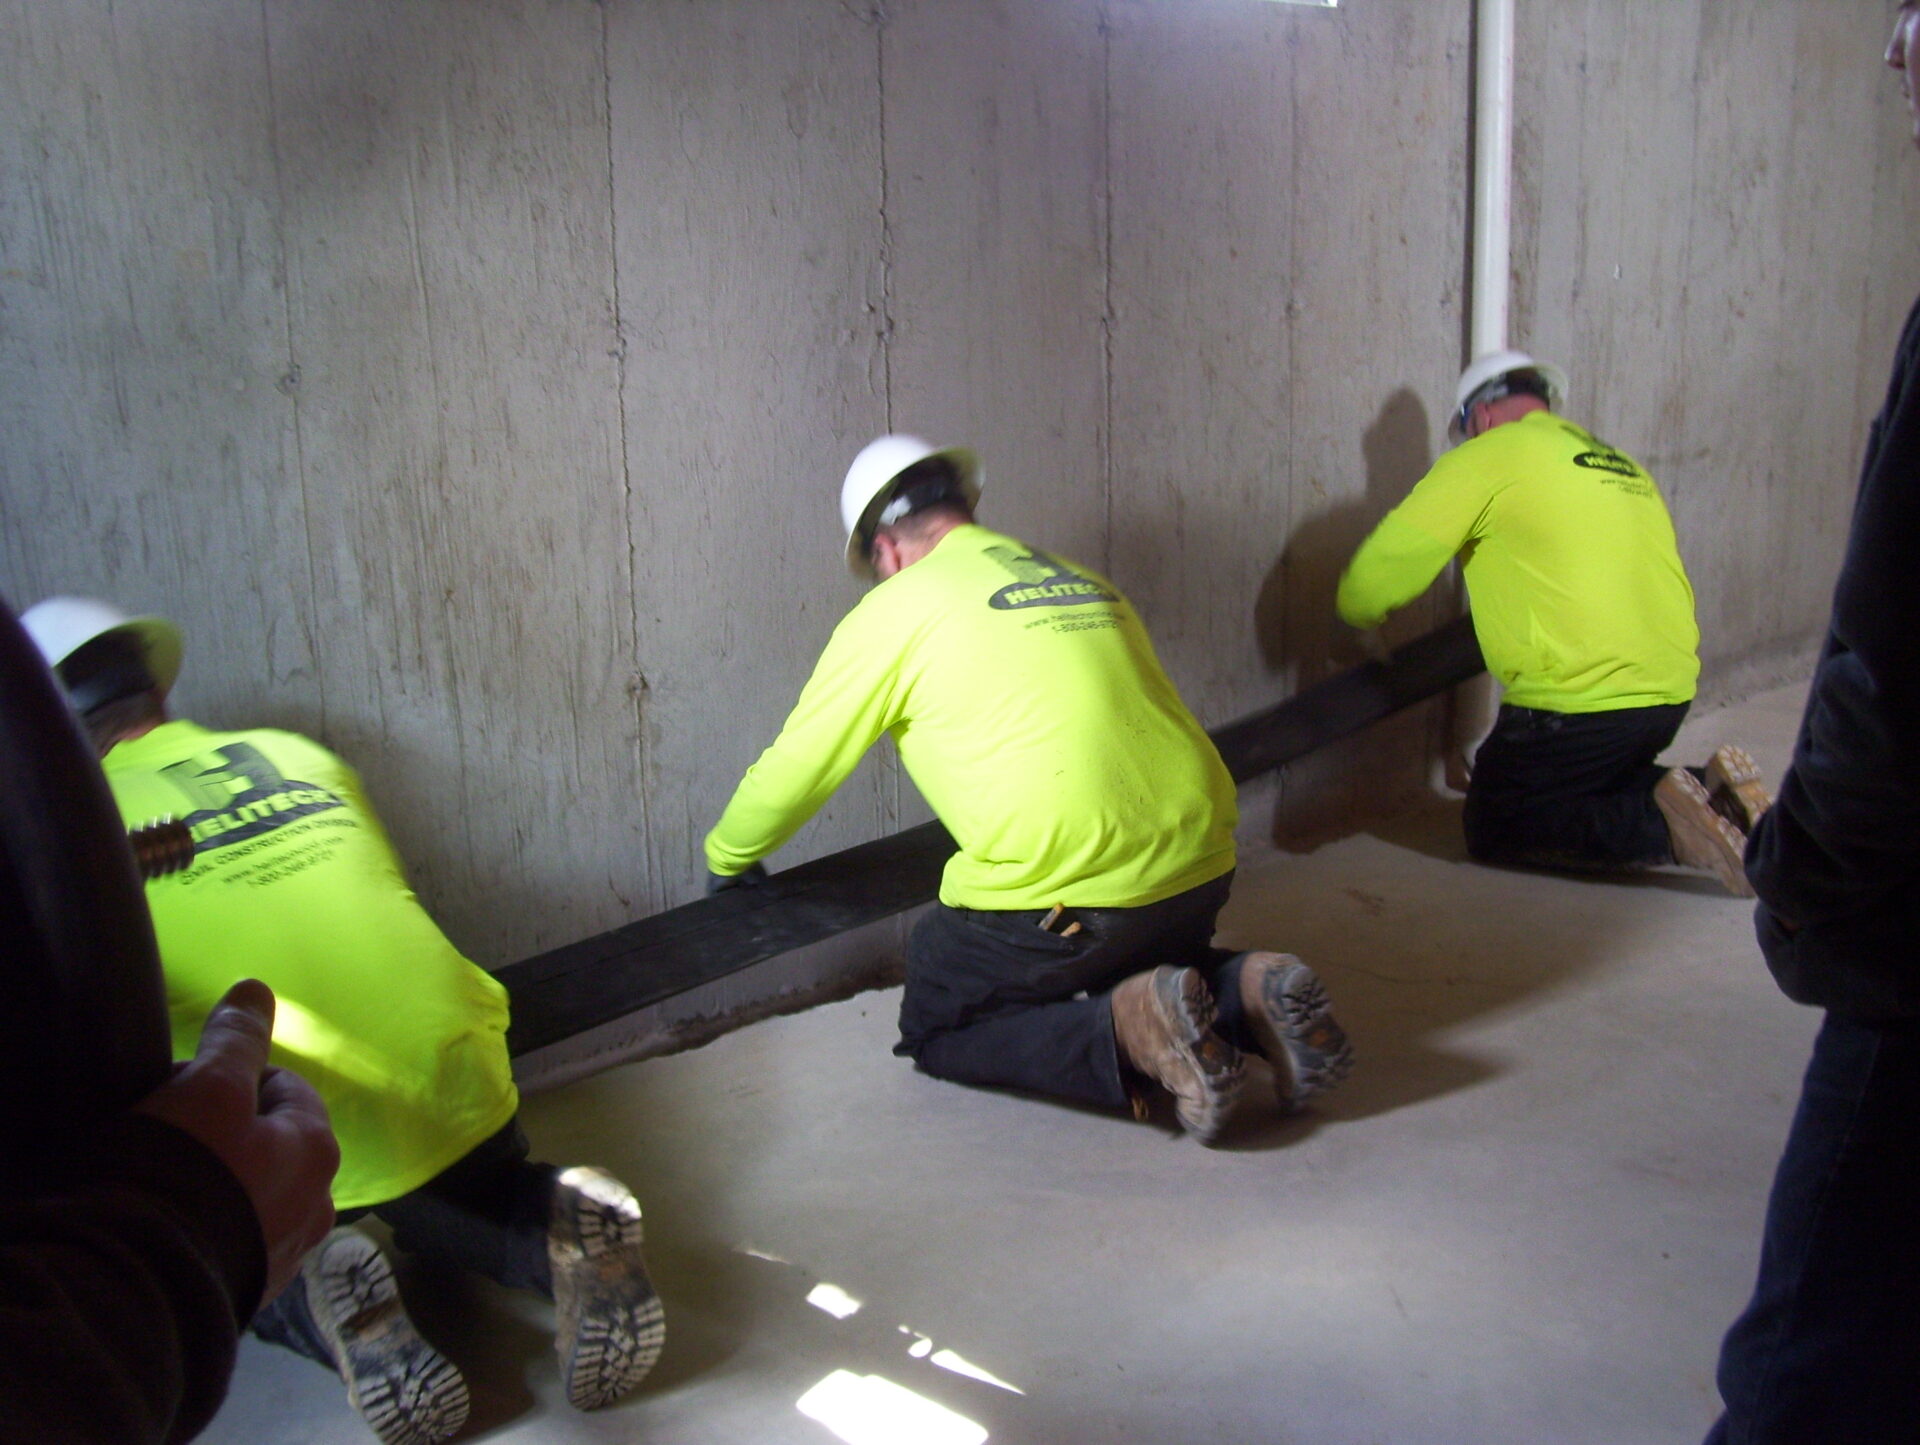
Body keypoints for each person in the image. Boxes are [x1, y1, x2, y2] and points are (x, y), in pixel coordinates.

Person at [21, 596, 666, 1445]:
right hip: (459, 1063)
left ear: (47, 737)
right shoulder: (295, 755)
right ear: (155, 694)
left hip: (287, 1116)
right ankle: (547, 1216)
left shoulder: (61, 835)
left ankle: (319, 1290)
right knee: (452, 1195)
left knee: (223, 1247)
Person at [703, 434, 1355, 1146]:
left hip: (1074, 894)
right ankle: (1247, 987)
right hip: (1199, 866)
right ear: (961, 508)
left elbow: (798, 764)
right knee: (1126, 954)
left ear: (886, 550)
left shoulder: (895, 611)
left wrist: (729, 854)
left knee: (940, 1010)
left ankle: (1133, 1035)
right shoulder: (1075, 577)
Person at [1704, 10, 1920, 1440]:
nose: (1899, 50)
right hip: (1663, 682)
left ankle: (1138, 1026)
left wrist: (1811, 885)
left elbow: (1897, 661)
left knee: (1821, 1361)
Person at [1335, 351, 1769, 895]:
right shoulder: (1618, 463)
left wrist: (1355, 621)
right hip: (1668, 695)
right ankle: (1709, 795)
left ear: (1481, 417)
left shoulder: (1487, 457)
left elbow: (1378, 576)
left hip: (1578, 703)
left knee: (1500, 819)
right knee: (1585, 781)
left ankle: (1667, 830)